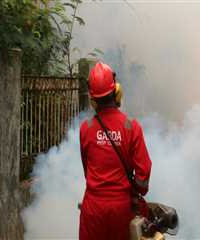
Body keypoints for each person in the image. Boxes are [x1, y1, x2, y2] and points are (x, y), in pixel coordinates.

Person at [79, 62, 152, 240]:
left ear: (92, 98)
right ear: (116, 91)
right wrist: (137, 190)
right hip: (120, 209)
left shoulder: (86, 128)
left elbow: (87, 170)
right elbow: (143, 175)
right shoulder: (131, 127)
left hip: (93, 209)